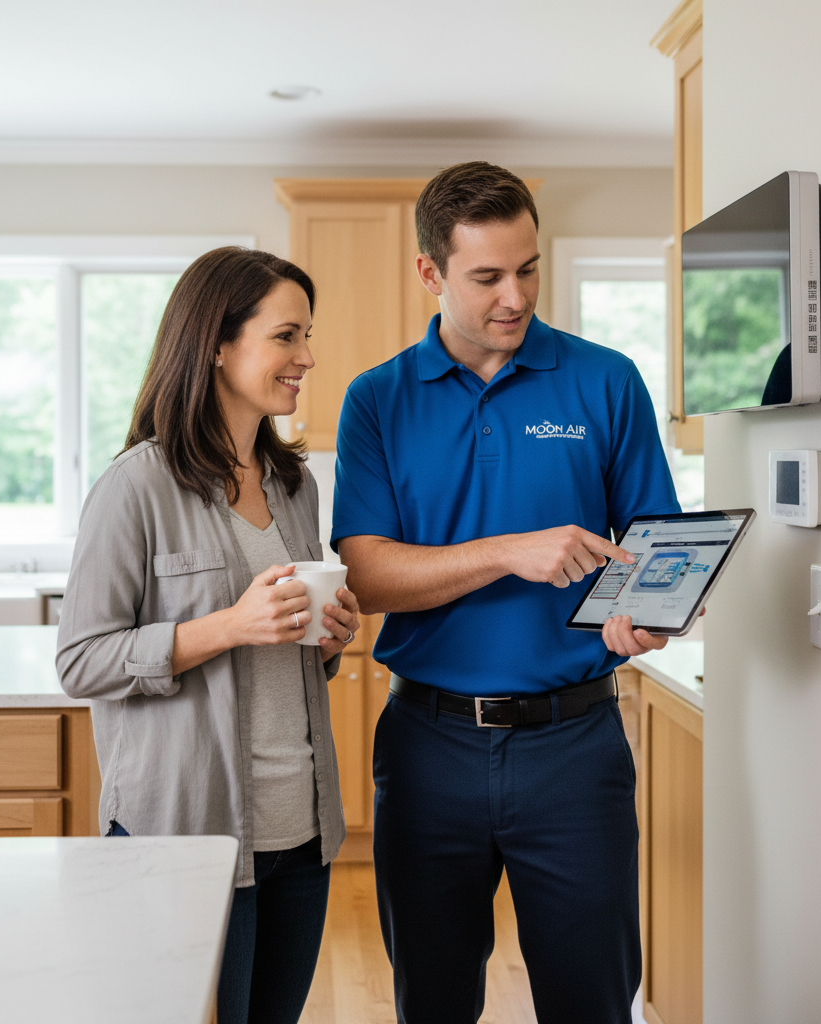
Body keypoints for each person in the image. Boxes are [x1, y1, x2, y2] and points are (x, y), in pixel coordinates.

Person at [331, 162, 681, 1024]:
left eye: (528, 269)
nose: (514, 296)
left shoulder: (605, 380)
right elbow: (369, 575)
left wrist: (651, 614)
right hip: (426, 747)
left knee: (592, 1000)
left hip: (576, 745)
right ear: (430, 273)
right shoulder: (375, 400)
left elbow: (653, 549)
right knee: (434, 1001)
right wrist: (509, 553)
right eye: (486, 276)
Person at [56, 246, 361, 1024]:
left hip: (300, 827)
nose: (308, 358)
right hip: (186, 830)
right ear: (219, 345)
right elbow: (82, 660)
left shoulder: (294, 484)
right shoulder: (137, 487)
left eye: (307, 336)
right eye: (287, 336)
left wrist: (324, 640)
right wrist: (227, 626)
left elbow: (279, 657)